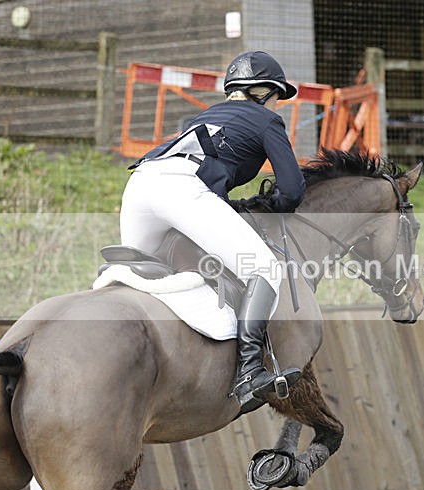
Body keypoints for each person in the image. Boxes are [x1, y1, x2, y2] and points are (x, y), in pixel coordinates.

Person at [120, 51, 306, 414]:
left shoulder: (202, 117)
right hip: (182, 190)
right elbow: (293, 190)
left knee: (135, 277)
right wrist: (263, 205)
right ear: (264, 90)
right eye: (277, 97)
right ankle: (251, 372)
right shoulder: (267, 121)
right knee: (265, 268)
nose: (277, 106)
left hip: (139, 185)